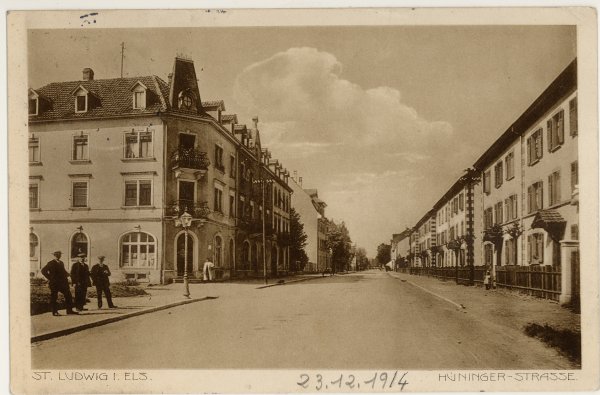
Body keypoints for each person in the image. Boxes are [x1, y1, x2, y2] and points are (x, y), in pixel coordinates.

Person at [40, 251, 77, 316]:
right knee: (54, 297)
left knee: (68, 295)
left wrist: (68, 274)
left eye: (59, 255)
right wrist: (50, 278)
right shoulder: (50, 263)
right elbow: (43, 270)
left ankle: (69, 310)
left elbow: (63, 271)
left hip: (63, 283)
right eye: (56, 255)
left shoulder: (61, 263)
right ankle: (54, 312)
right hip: (54, 283)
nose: (58, 256)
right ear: (54, 255)